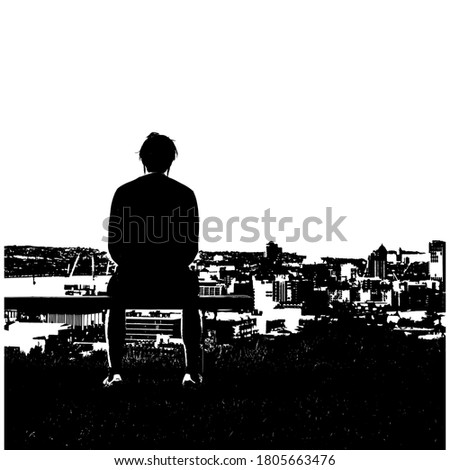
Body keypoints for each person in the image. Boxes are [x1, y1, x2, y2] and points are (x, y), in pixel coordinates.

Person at [104, 132, 202, 389]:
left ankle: (115, 372)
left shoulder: (124, 193)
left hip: (132, 279)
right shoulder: (185, 194)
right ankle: (192, 371)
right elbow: (190, 247)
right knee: (191, 292)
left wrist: (133, 266)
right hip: (174, 280)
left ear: (143, 160)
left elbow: (115, 246)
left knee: (115, 296)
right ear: (170, 161)